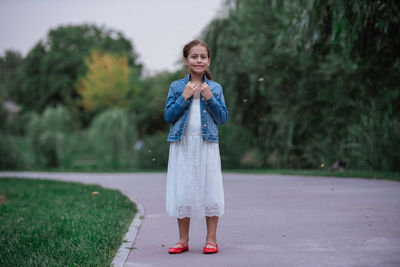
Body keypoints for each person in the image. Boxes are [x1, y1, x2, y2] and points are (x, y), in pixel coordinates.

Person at [164, 39, 228, 254]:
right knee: (184, 190)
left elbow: (222, 118)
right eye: (194, 56)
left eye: (202, 57)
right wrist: (184, 97)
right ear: (185, 60)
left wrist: (209, 98)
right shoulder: (176, 87)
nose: (198, 60)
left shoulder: (215, 88)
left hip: (207, 145)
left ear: (208, 61)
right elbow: (168, 116)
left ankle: (211, 239)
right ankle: (183, 239)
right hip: (182, 145)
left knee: (210, 189)